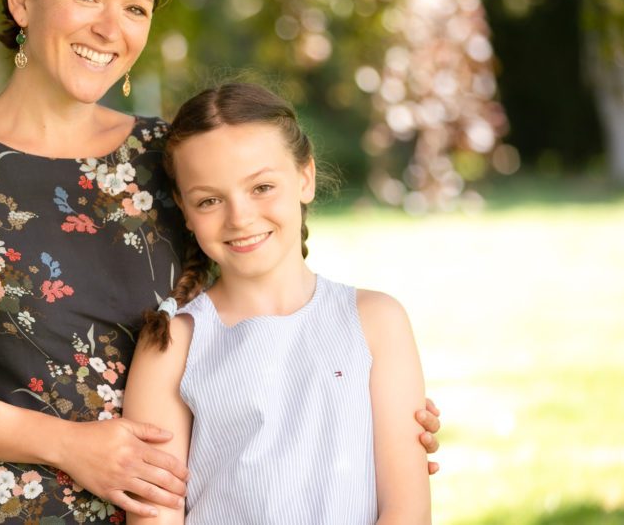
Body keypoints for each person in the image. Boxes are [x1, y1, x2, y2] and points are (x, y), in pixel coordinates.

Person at [0, 0, 440, 524]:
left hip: (191, 506)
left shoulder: (162, 154)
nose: (111, 29)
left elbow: (256, 305)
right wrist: (72, 447)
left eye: (134, 7)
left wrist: (360, 416)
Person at [122, 82, 431, 524]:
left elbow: (407, 509)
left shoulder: (377, 322)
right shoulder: (172, 344)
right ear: (185, 211)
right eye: (209, 200)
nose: (240, 217)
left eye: (261, 187)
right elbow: (155, 518)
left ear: (305, 177)